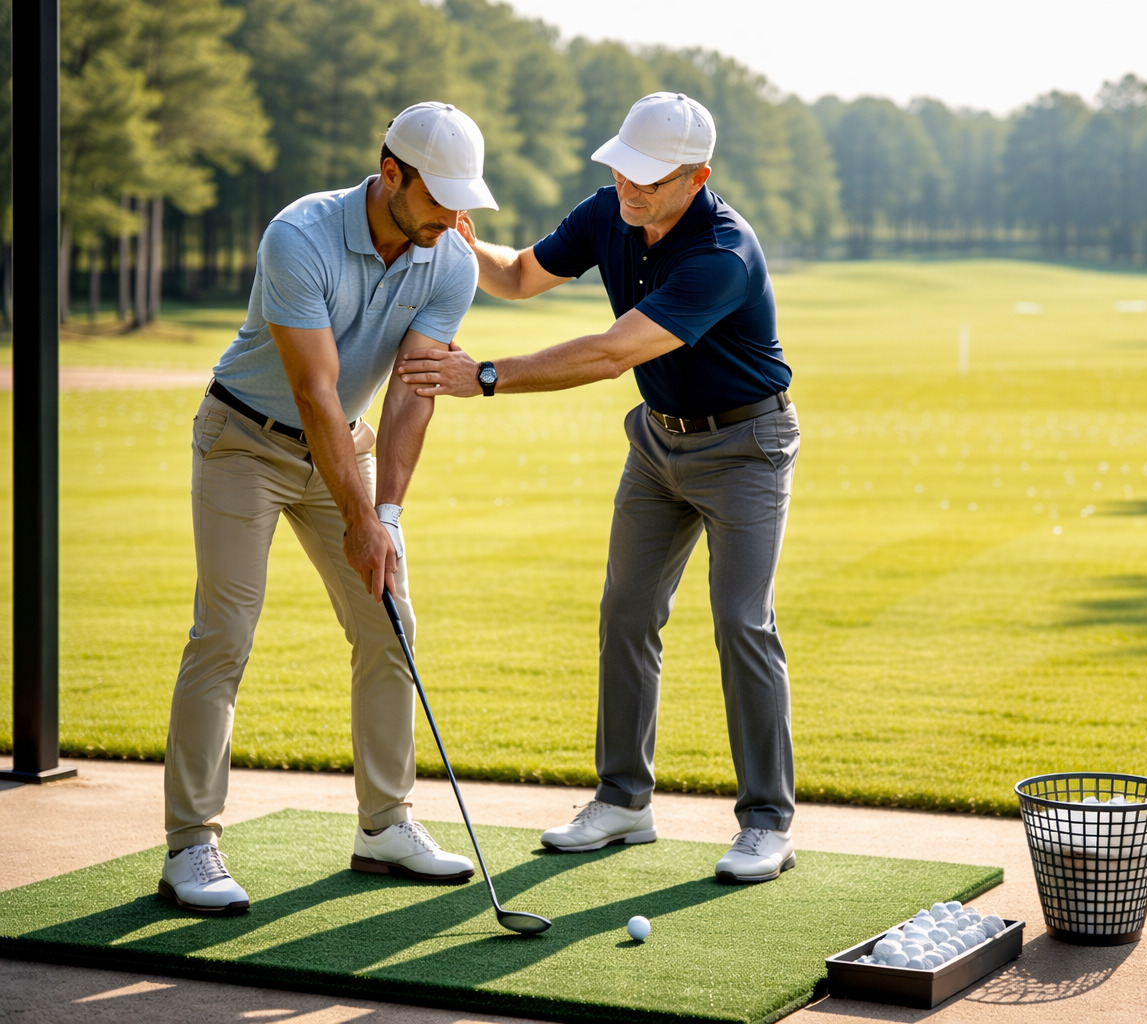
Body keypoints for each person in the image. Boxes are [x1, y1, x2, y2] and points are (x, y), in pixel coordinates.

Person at [397, 92, 800, 884]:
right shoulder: (608, 211)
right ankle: (622, 802)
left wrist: (485, 375)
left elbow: (613, 353)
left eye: (647, 178)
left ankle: (766, 823)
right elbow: (519, 276)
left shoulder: (722, 253)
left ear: (696, 178)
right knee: (626, 612)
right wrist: (462, 238)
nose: (628, 188)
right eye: (622, 169)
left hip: (746, 446)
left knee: (741, 622)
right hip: (658, 441)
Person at [159, 102, 499, 915]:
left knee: (390, 621)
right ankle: (190, 845)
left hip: (345, 444)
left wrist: (388, 517)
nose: (454, 219)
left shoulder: (450, 258)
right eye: (440, 199)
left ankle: (385, 826)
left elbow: (414, 392)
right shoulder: (298, 236)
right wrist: (358, 520)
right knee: (225, 633)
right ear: (391, 175)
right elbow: (313, 390)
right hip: (245, 441)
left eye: (463, 202)